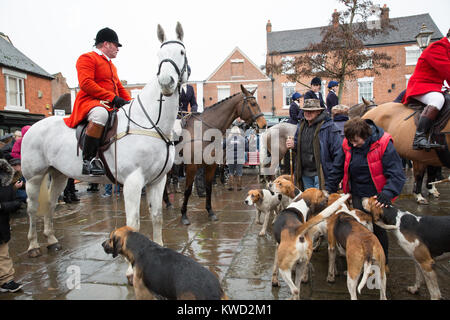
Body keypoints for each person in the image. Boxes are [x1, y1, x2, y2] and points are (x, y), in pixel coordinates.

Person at [325, 117, 406, 266]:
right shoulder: (347, 144)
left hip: (378, 194)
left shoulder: (383, 143)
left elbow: (396, 173)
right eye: (351, 141)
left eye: (357, 141)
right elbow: (337, 167)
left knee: (378, 229)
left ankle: (382, 263)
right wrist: (329, 188)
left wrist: (388, 192)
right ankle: (365, 261)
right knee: (359, 228)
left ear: (366, 135)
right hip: (356, 191)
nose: (353, 144)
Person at [64, 27, 131, 176]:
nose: (118, 49)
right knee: (100, 116)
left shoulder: (111, 65)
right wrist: (113, 98)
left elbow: (118, 87)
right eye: (116, 45)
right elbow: (86, 83)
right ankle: (88, 161)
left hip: (109, 103)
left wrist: (131, 103)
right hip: (90, 102)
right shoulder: (87, 58)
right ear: (106, 44)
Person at [402, 29, 450, 150]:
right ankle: (419, 137)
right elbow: (448, 71)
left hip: (435, 86)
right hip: (421, 85)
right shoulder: (438, 47)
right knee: (438, 100)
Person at [286, 99, 342, 190]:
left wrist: (334, 176)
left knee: (320, 202)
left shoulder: (329, 127)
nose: (308, 113)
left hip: (321, 174)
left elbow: (338, 153)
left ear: (318, 111)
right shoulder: (301, 125)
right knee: (309, 202)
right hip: (305, 174)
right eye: (305, 111)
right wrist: (294, 145)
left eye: (311, 111)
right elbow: (298, 144)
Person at [0, 159, 23, 293]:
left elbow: (16, 203)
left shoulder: (6, 182)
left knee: (3, 254)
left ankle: (6, 281)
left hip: (1, 226)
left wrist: (2, 206)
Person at [225, 126, 248, 191]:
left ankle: (230, 187)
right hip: (240, 157)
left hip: (230, 157)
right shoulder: (243, 139)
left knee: (231, 172)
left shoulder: (228, 139)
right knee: (239, 172)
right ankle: (239, 187)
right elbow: (247, 148)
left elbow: (223, 146)